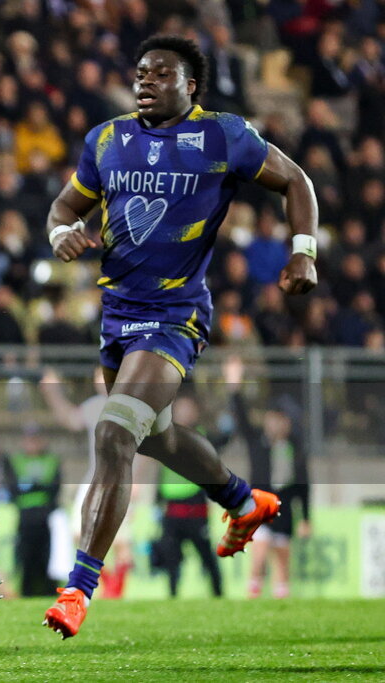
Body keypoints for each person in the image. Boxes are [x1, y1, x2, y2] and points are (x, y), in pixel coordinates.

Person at [43, 35, 318, 639]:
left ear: (191, 85)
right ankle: (246, 502)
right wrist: (60, 232)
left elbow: (296, 179)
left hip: (175, 316)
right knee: (155, 439)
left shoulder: (223, 135)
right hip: (116, 317)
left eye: (161, 73)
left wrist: (303, 252)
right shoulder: (107, 140)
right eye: (141, 72)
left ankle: (78, 590)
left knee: (114, 431)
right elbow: (63, 209)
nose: (145, 81)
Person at [40, 366, 136, 599]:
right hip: (95, 477)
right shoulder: (95, 406)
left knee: (121, 540)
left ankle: (116, 589)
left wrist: (138, 481)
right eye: (97, 378)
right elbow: (71, 419)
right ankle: (109, 583)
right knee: (78, 532)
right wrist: (52, 394)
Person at [223, 357, 311, 599]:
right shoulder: (257, 443)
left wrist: (306, 518)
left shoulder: (294, 448)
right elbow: (240, 418)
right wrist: (234, 386)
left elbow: (303, 485)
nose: (275, 424)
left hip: (284, 510)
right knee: (260, 553)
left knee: (282, 560)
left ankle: (281, 600)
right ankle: (254, 594)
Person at [154, 394, 225, 598]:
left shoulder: (203, 437)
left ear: (195, 412)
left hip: (195, 508)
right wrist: (156, 503)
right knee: (171, 557)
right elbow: (162, 472)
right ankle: (173, 596)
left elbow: (223, 441)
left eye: (189, 408)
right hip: (172, 510)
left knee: (206, 555)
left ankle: (218, 593)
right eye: (181, 408)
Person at [11, 427, 62, 597]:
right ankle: (27, 592)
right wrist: (37, 486)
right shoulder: (17, 461)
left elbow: (53, 488)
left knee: (46, 558)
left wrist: (30, 487)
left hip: (45, 517)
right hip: (25, 517)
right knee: (26, 558)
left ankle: (48, 592)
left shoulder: (51, 460)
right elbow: (14, 488)